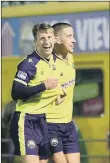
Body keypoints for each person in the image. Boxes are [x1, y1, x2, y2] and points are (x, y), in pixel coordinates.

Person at [10, 23, 65, 163]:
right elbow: (16, 92)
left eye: (49, 37)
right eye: (42, 38)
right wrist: (43, 86)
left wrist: (58, 97)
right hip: (27, 120)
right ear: (36, 42)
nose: (46, 41)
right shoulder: (29, 63)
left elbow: (57, 89)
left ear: (54, 39)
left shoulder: (55, 62)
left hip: (45, 122)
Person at [45, 22, 80, 163]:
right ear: (57, 39)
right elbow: (53, 99)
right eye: (69, 36)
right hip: (51, 124)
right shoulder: (48, 65)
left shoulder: (69, 57)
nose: (74, 40)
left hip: (68, 124)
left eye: (74, 36)